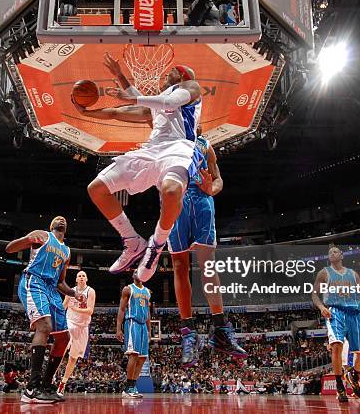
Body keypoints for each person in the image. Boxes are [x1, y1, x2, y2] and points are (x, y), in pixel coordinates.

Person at [77, 52, 202, 282]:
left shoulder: (190, 86)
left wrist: (131, 99)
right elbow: (118, 112)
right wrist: (87, 111)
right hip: (150, 150)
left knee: (172, 191)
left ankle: (156, 244)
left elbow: (169, 102)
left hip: (179, 149)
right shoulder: (153, 106)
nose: (167, 73)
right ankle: (132, 241)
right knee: (97, 189)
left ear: (181, 76)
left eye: (172, 70)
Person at [168, 128, 247, 366]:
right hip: (176, 200)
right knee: (180, 265)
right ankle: (188, 333)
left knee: (208, 266)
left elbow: (218, 179)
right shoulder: (168, 139)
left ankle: (220, 330)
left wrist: (211, 188)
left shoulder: (206, 145)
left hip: (202, 202)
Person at [6, 216, 85, 404]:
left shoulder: (66, 251)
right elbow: (9, 249)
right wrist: (28, 239)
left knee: (64, 338)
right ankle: (31, 389)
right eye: (58, 218)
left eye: (65, 219)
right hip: (34, 281)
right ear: (51, 226)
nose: (62, 219)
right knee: (44, 327)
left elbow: (60, 283)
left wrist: (75, 293)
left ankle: (46, 385)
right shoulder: (42, 236)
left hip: (52, 289)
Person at [312, 246, 360, 402]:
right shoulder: (324, 273)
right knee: (337, 345)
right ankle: (339, 385)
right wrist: (322, 307)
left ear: (342, 255)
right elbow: (314, 294)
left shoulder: (353, 274)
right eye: (330, 252)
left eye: (335, 251)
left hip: (354, 313)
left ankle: (353, 375)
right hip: (335, 311)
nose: (332, 253)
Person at [57, 270, 96, 397]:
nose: (81, 277)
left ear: (87, 279)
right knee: (63, 348)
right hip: (70, 322)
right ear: (76, 279)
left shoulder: (90, 291)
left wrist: (75, 308)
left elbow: (90, 310)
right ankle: (50, 377)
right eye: (79, 275)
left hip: (83, 326)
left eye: (83, 275)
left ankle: (63, 383)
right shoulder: (70, 291)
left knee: (73, 358)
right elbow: (63, 306)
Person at [116, 274, 151, 398]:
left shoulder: (147, 291)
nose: (139, 273)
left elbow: (148, 312)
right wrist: (118, 328)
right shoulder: (128, 289)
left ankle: (133, 385)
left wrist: (149, 330)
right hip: (132, 322)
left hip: (143, 325)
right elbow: (121, 309)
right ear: (133, 275)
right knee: (134, 354)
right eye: (136, 271)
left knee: (142, 358)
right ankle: (128, 387)